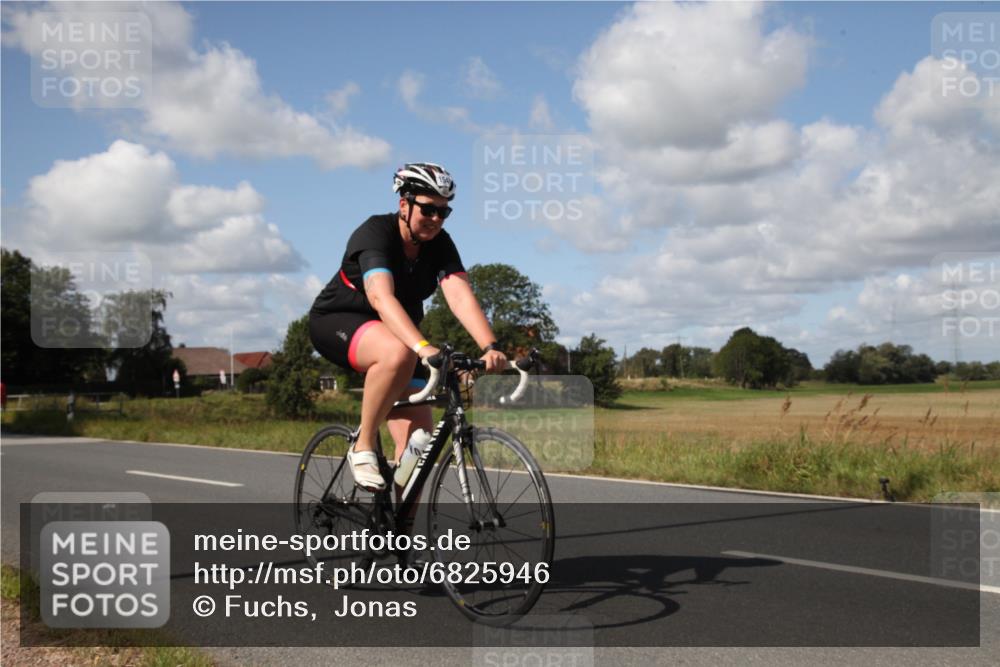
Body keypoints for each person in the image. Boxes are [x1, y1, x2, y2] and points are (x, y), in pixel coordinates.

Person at [309, 162, 507, 493]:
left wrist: (490, 346)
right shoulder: (375, 233)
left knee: (419, 450)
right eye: (428, 209)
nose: (435, 220)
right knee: (397, 352)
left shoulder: (440, 243)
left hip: (400, 335)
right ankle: (364, 444)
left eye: (444, 212)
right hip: (340, 321)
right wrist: (422, 348)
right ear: (404, 204)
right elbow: (380, 297)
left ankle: (397, 532)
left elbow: (458, 296)